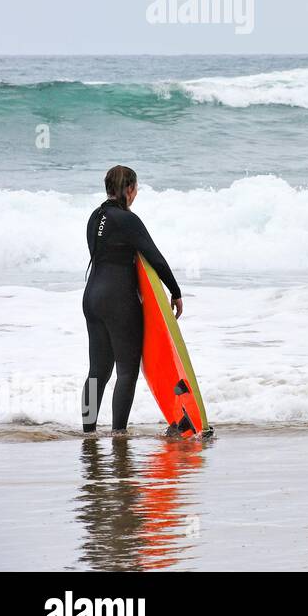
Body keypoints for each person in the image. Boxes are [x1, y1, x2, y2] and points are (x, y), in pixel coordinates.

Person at [82, 165, 183, 434]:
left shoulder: (95, 217)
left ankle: (88, 432)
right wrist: (175, 291)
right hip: (118, 299)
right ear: (128, 189)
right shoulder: (128, 220)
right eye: (135, 189)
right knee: (126, 370)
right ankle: (118, 434)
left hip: (92, 297)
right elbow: (155, 256)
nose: (135, 194)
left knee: (97, 372)